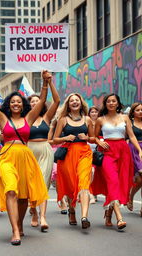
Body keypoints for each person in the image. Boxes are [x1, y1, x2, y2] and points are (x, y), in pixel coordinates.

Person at [0, 67, 49, 246]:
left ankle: (19, 223)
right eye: (13, 102)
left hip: (25, 158)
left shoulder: (29, 118)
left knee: (23, 196)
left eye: (19, 102)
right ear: (8, 105)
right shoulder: (3, 119)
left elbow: (42, 101)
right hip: (6, 158)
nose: (16, 104)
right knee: (10, 190)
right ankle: (15, 230)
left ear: (23, 104)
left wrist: (45, 83)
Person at [95, 94, 142, 229]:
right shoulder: (100, 120)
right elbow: (93, 136)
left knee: (119, 183)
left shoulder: (125, 117)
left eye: (113, 101)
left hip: (123, 152)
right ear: (105, 104)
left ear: (117, 103)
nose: (111, 103)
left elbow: (131, 136)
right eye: (108, 101)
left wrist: (139, 150)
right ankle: (119, 218)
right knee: (113, 181)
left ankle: (108, 214)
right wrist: (99, 141)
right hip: (108, 152)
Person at [53, 93, 94, 229]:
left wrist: (87, 138)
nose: (75, 102)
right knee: (71, 185)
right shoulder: (63, 120)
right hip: (68, 154)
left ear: (81, 103)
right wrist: (66, 138)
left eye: (77, 100)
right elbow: (55, 139)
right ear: (68, 104)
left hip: (84, 153)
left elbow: (93, 138)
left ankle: (84, 217)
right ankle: (71, 210)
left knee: (83, 183)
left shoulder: (87, 119)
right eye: (72, 101)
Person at [27, 75, 60, 231]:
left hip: (45, 151)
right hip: (29, 152)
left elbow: (57, 101)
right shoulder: (25, 119)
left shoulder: (47, 117)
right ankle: (33, 211)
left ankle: (42, 216)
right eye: (32, 102)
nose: (35, 103)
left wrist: (49, 82)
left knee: (43, 185)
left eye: (37, 101)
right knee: (31, 185)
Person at [127, 103, 142, 217]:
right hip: (134, 151)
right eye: (138, 110)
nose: (140, 112)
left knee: (141, 181)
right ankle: (131, 196)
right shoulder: (129, 123)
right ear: (133, 112)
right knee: (139, 179)